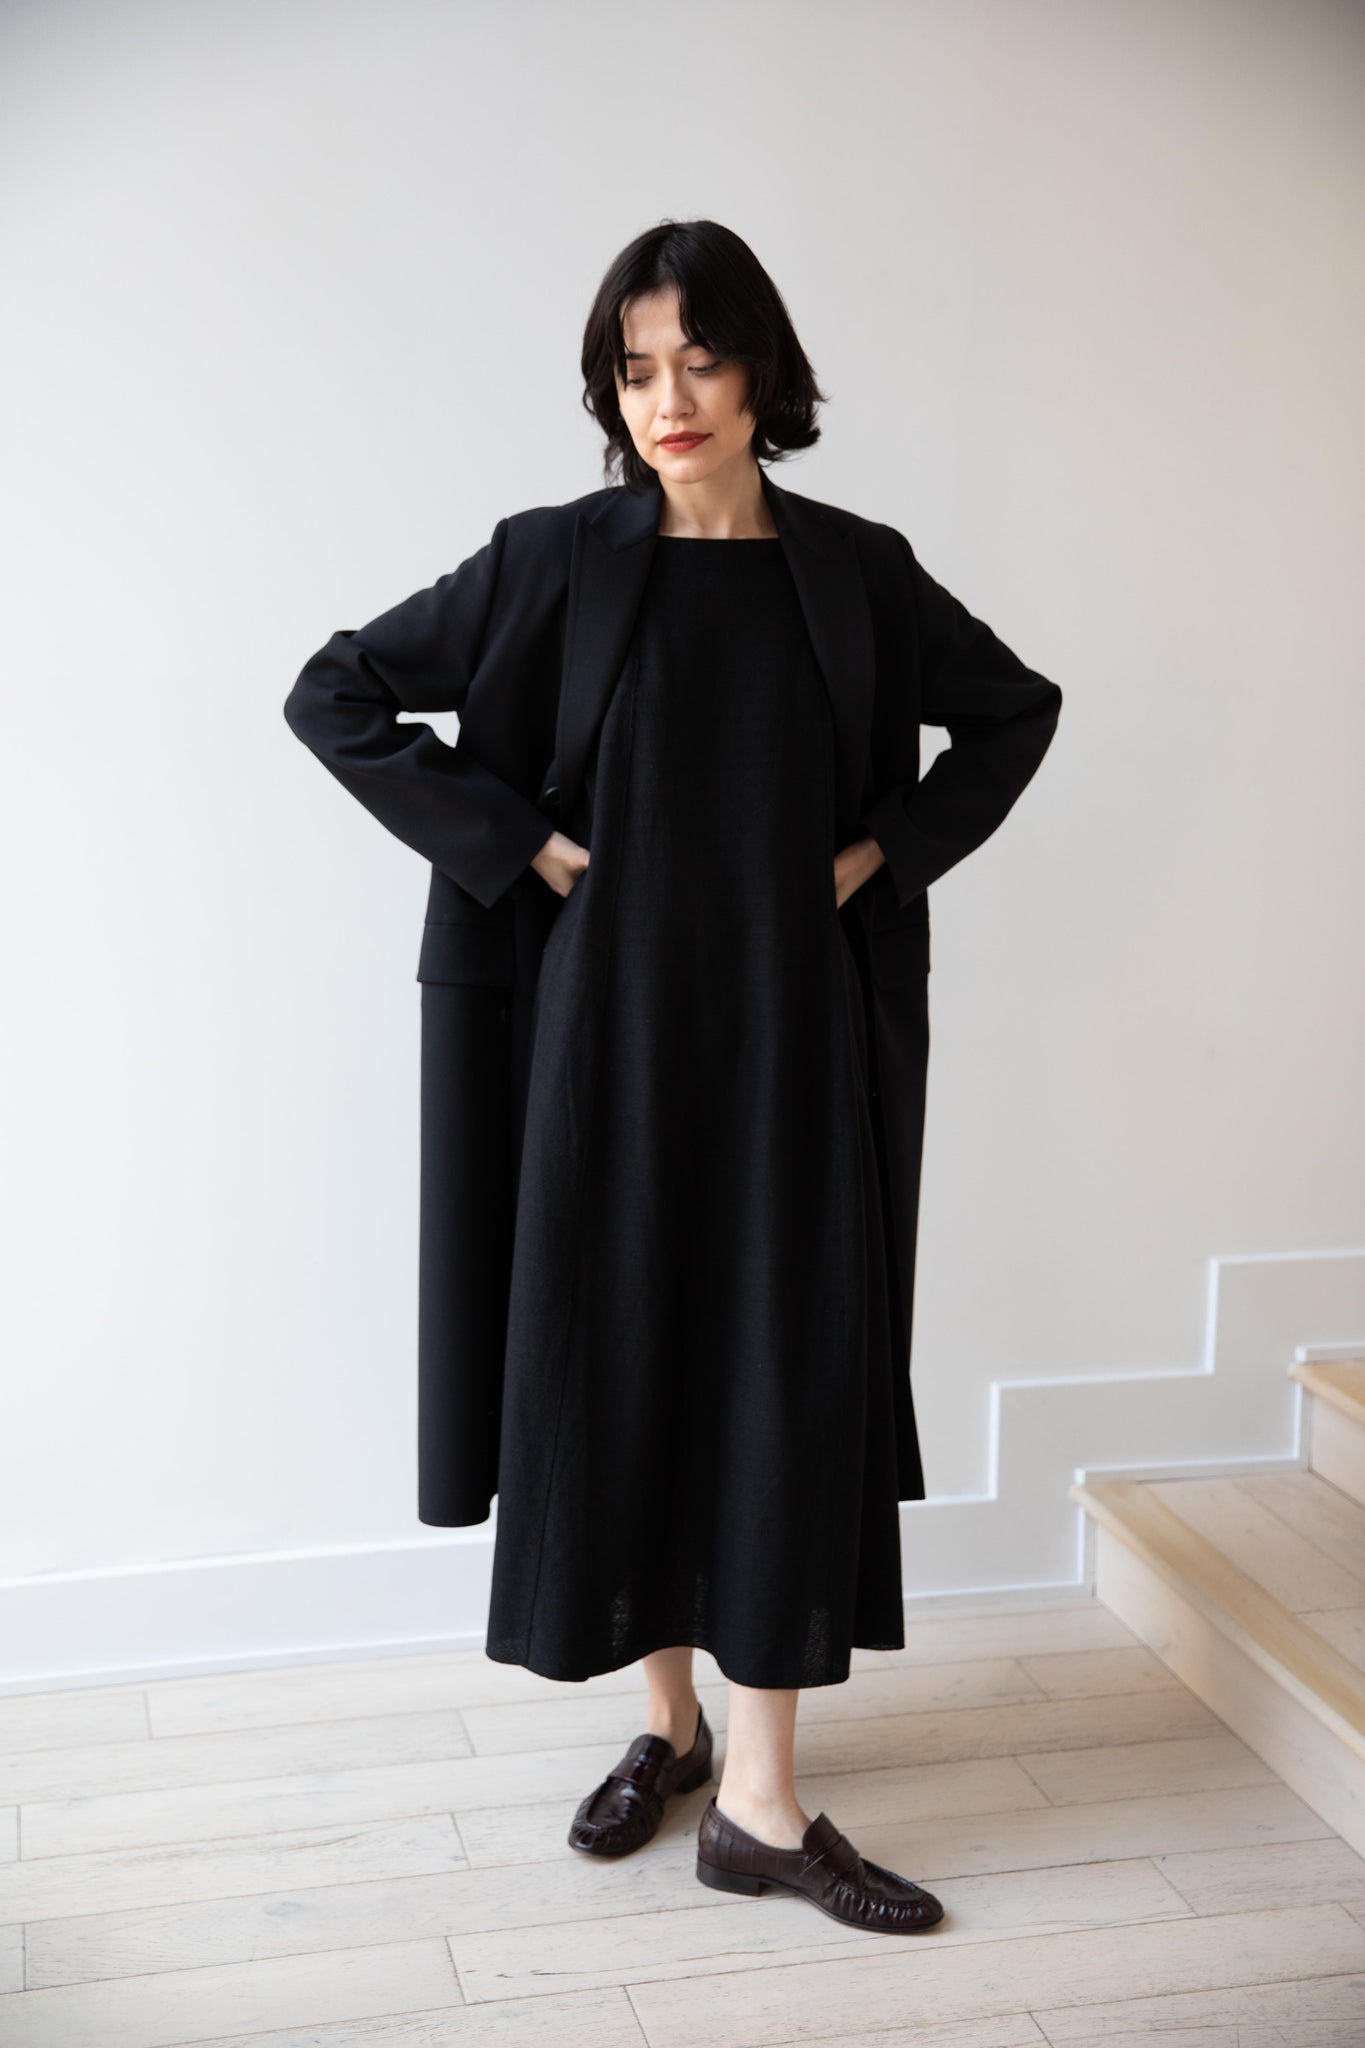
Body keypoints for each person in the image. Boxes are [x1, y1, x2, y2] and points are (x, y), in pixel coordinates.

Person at [284, 219, 1062, 1932]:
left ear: (763, 372)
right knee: (624, 1347)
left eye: (699, 361)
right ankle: (673, 1730)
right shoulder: (549, 562)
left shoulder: (855, 572)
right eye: (634, 370)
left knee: (780, 1365)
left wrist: (884, 851)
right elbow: (334, 692)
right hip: (595, 1045)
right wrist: (513, 843)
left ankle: (763, 1806)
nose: (667, 400)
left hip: (794, 1039)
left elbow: (1014, 709)